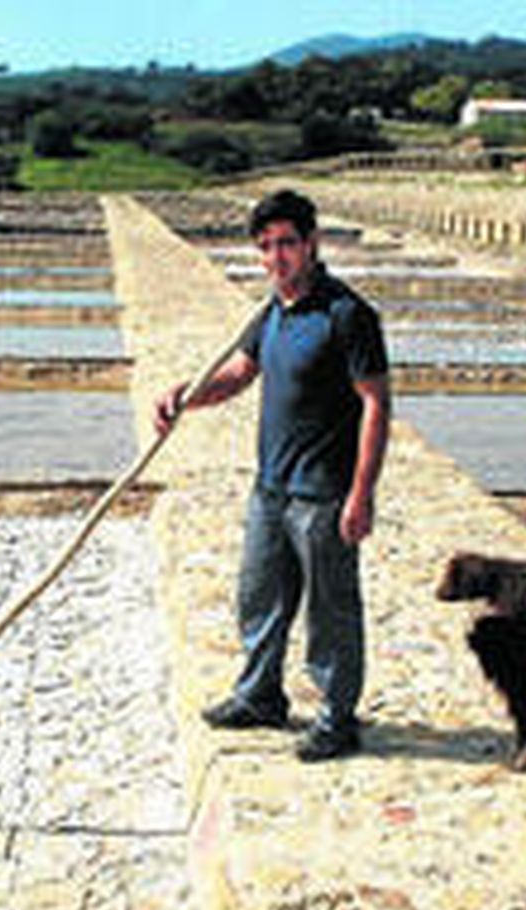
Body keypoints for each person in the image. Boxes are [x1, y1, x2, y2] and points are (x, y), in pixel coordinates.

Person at [153, 189, 391, 762]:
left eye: (286, 243)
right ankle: (260, 696)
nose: (276, 257)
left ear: (311, 244)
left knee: (331, 613)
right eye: (265, 247)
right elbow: (238, 373)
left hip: (324, 495)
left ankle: (337, 719)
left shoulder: (347, 314)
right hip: (271, 489)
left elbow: (377, 405)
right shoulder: (271, 314)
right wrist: (184, 397)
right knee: (258, 597)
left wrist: (362, 494)